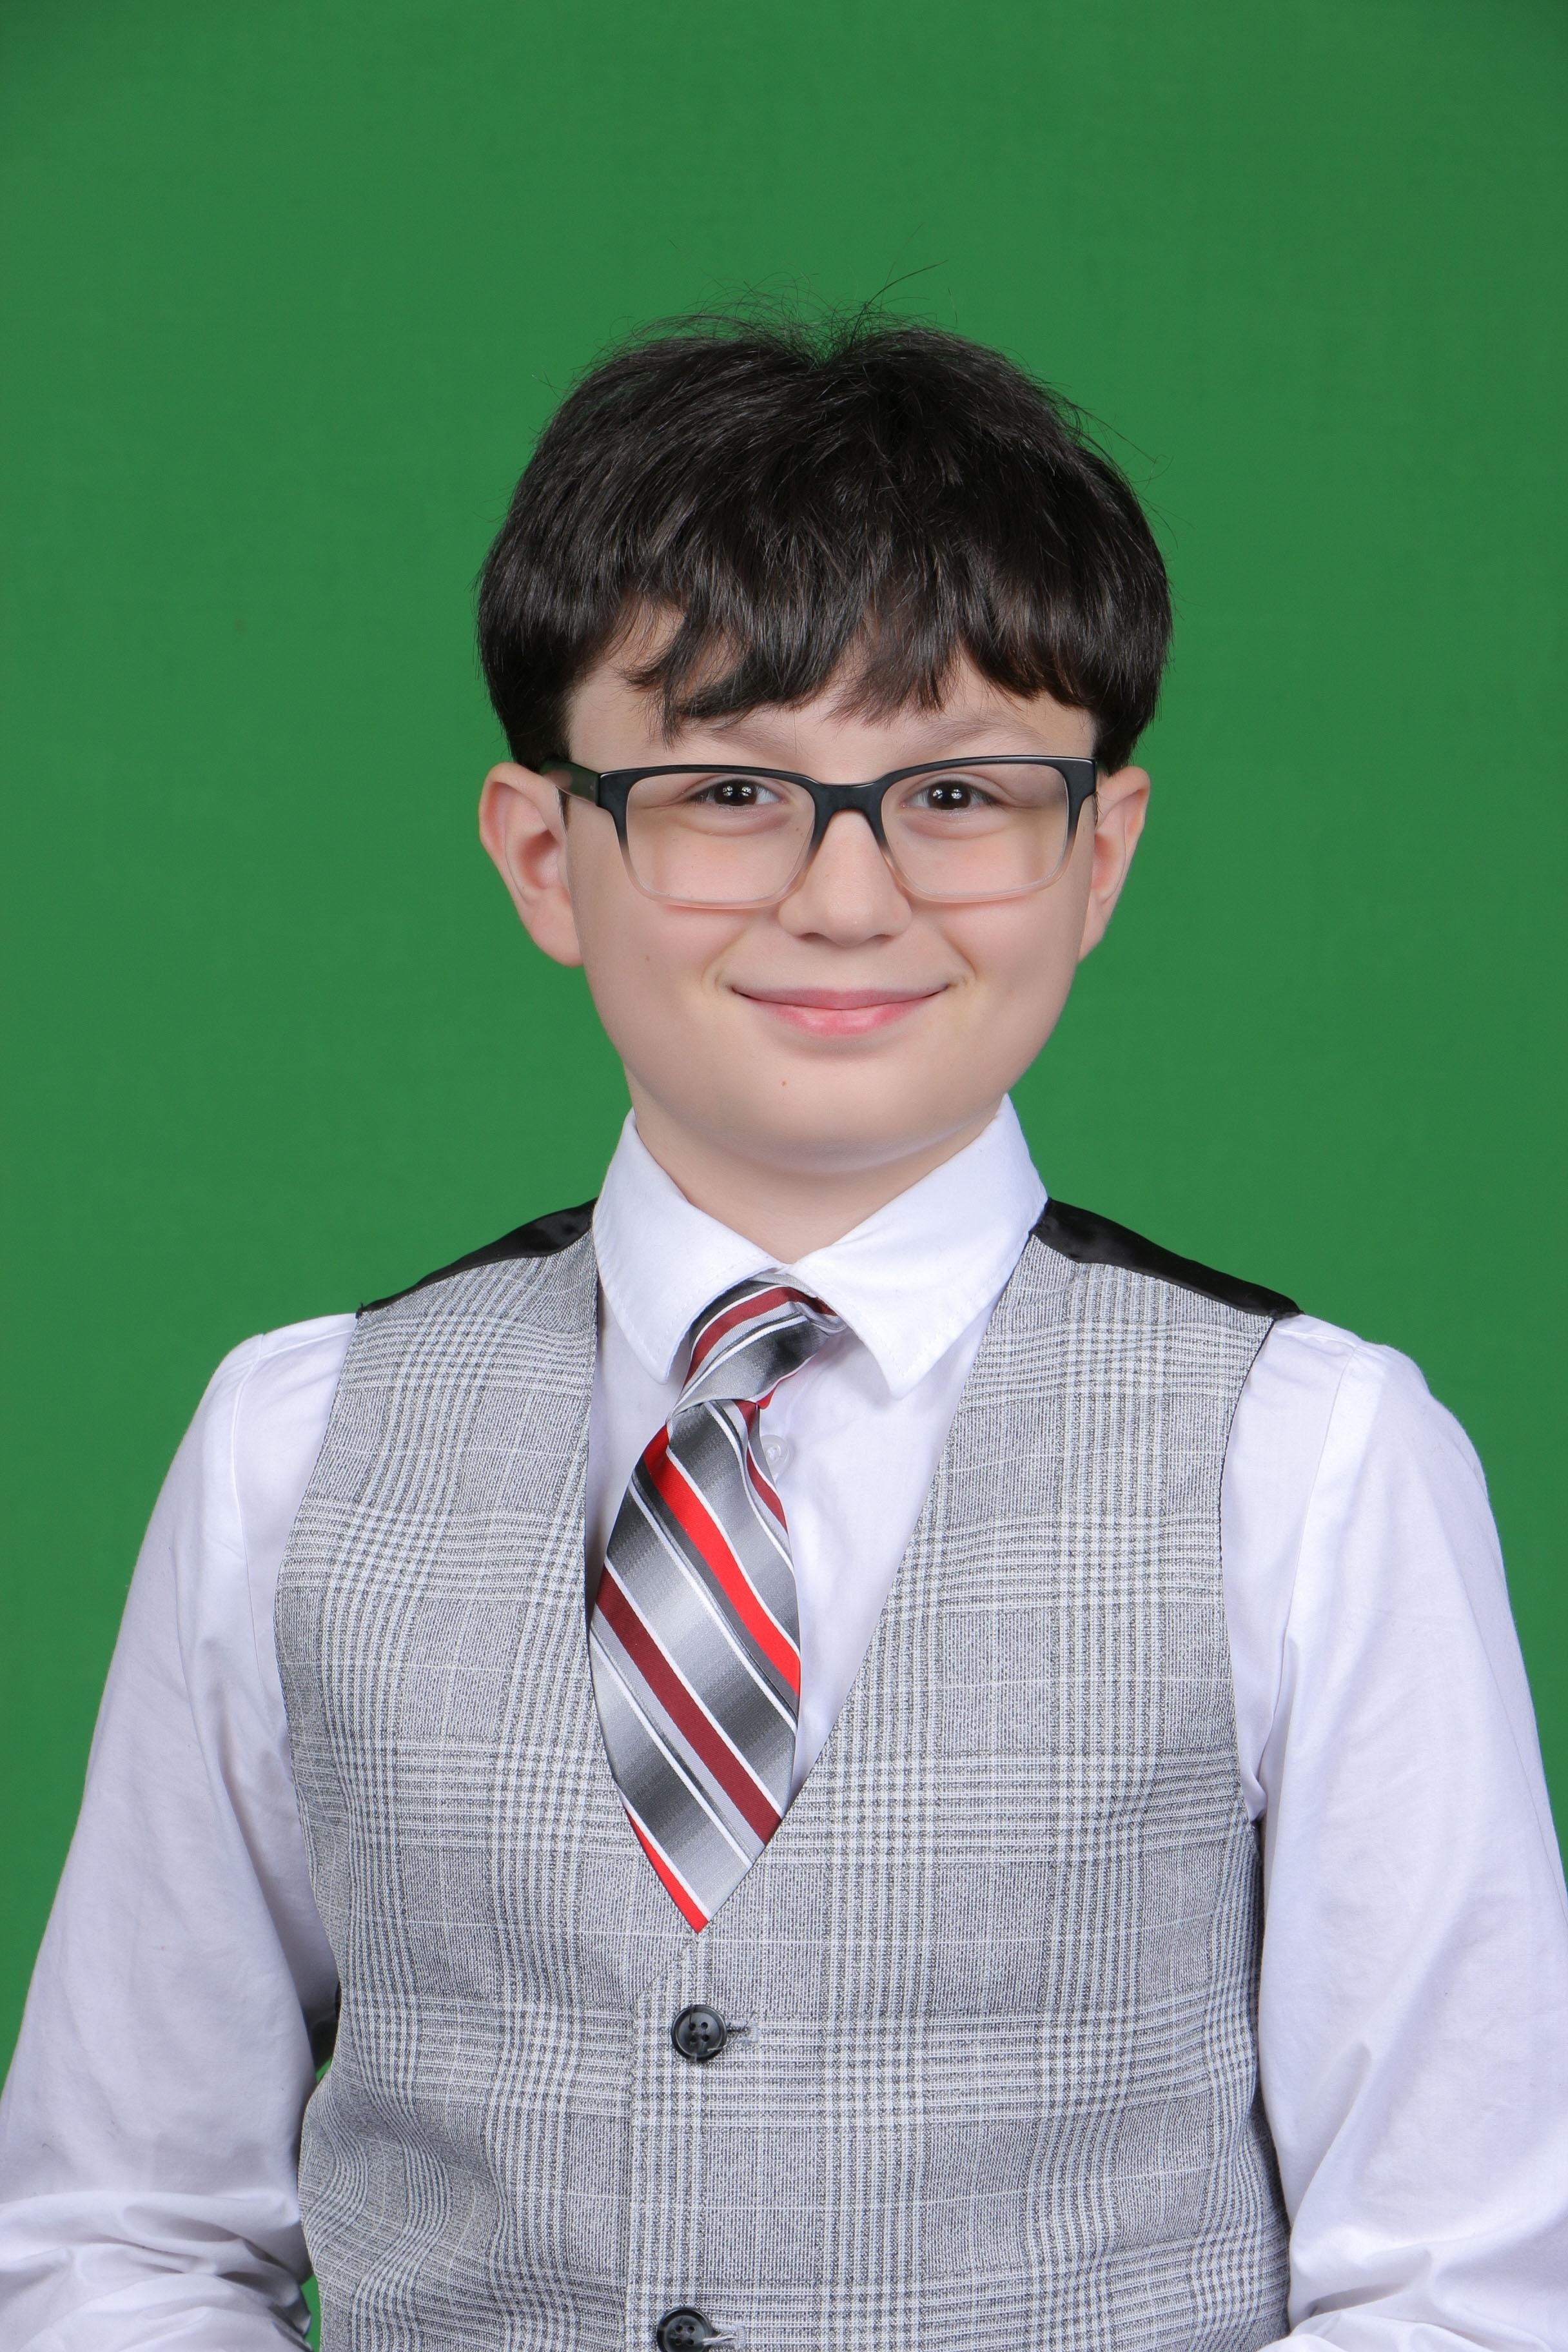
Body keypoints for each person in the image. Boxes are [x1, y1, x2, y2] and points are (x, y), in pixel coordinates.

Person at [1, 313, 1563, 2352]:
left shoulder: (1313, 1459)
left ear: (1098, 854)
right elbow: (118, 2235)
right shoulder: (294, 1443)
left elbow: (1459, 2287)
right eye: (731, 787)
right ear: (547, 853)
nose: (845, 898)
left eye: (960, 793)